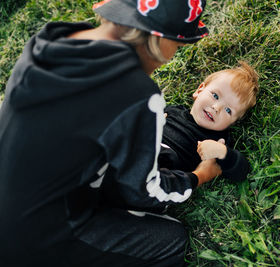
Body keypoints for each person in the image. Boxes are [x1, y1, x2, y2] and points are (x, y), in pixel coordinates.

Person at [0, 0, 220, 266]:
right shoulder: (136, 94)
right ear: (159, 39)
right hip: (35, 237)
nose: (172, 55)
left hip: (12, 200)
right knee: (172, 238)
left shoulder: (51, 39)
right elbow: (143, 191)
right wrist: (199, 176)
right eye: (177, 45)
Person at [159, 61, 259, 183]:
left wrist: (222, 152)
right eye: (215, 96)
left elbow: (242, 171)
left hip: (163, 169)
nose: (216, 108)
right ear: (199, 90)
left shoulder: (217, 139)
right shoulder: (174, 110)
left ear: (232, 123)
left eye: (228, 110)